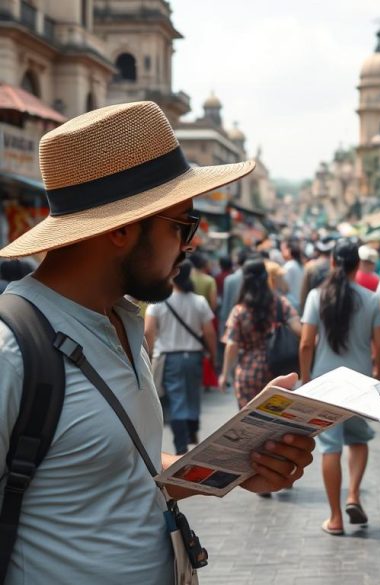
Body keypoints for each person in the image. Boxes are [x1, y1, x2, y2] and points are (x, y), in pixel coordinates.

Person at [0, 101, 314, 583]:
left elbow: (128, 471)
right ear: (123, 228)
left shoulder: (123, 321)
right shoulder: (13, 351)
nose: (192, 244)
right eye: (183, 225)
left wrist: (237, 467)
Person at [299, 240, 380, 535]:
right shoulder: (371, 299)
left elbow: (306, 342)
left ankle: (335, 518)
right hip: (359, 384)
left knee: (330, 448)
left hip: (325, 384)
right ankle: (353, 495)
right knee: (359, 440)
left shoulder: (316, 296)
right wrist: (378, 374)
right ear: (356, 266)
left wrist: (306, 377)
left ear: (334, 263)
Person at [144, 260, 217, 454]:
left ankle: (181, 445)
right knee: (193, 395)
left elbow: (148, 331)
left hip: (169, 358)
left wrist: (149, 355)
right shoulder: (198, 301)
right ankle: (192, 430)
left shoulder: (158, 302)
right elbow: (209, 332)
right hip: (194, 356)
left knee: (177, 400)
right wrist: (213, 353)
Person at [220, 260, 302, 410]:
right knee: (276, 420)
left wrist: (224, 375)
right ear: (266, 278)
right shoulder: (280, 303)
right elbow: (299, 329)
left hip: (247, 373)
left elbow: (232, 345)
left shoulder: (239, 310)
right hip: (276, 371)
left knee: (248, 421)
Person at [281, 239, 304, 309]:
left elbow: (283, 287)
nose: (281, 252)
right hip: (298, 302)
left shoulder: (289, 266)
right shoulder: (299, 265)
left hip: (292, 303)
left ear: (289, 250)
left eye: (283, 249)